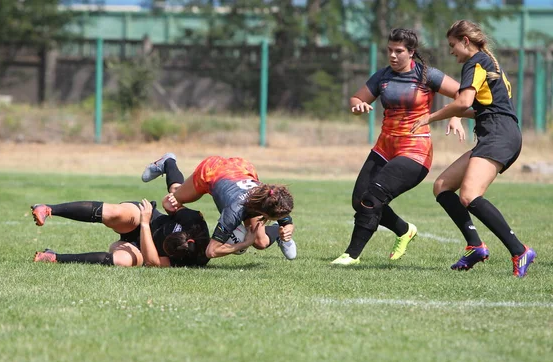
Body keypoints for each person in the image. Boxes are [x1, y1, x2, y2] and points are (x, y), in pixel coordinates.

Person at [410, 20, 536, 277]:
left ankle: (519, 250)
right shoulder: (489, 63)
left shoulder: (476, 62)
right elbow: (479, 107)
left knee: (469, 195)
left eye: (452, 45)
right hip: (497, 133)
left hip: (499, 135)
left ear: (465, 41)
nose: (451, 51)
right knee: (442, 186)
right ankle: (475, 246)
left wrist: (431, 117)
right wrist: (456, 115)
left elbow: (464, 100)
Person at [331, 28, 465, 266]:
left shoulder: (427, 75)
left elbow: (463, 95)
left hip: (415, 151)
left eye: (399, 51)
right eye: (389, 50)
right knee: (359, 199)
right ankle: (404, 230)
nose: (392, 55)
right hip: (384, 147)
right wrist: (358, 105)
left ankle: (351, 255)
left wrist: (456, 117)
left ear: (411, 52)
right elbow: (356, 98)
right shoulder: (382, 76)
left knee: (372, 197)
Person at [31, 163, 210, 267]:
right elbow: (168, 203)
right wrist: (148, 219)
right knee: (116, 213)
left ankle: (53, 257)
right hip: (144, 218)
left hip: (140, 243)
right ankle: (48, 208)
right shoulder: (192, 222)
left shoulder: (192, 260)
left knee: (121, 261)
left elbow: (153, 262)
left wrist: (146, 227)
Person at [141, 153, 297, 260]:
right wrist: (244, 244)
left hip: (242, 169)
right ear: (263, 211)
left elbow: (280, 208)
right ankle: (168, 162)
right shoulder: (234, 211)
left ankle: (280, 234)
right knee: (169, 203)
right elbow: (211, 251)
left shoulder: (269, 195)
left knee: (261, 242)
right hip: (212, 172)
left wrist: (288, 225)